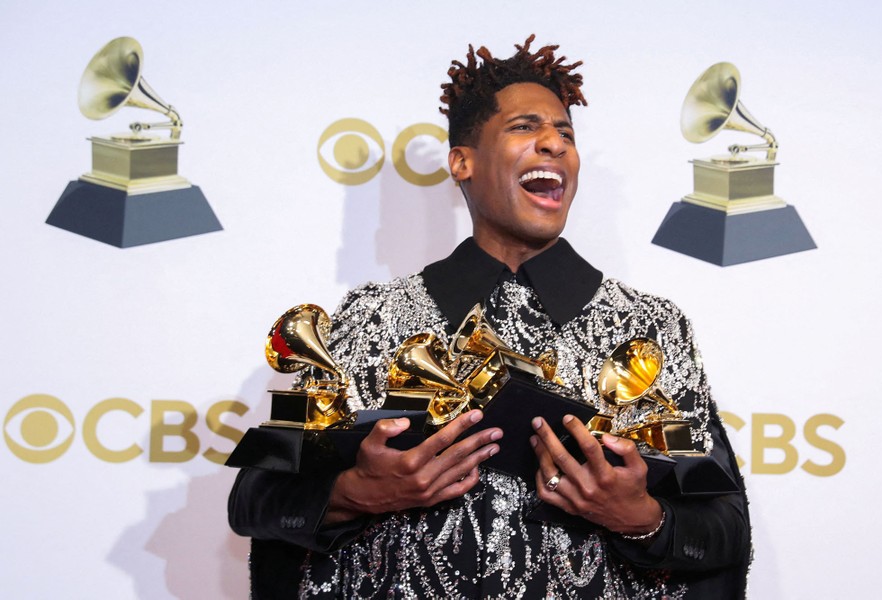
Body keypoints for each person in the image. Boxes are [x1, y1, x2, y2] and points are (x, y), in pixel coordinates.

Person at [229, 35, 751, 599]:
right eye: (525, 127)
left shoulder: (647, 329)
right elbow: (254, 502)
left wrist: (640, 516)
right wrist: (356, 492)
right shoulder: (369, 318)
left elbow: (725, 530)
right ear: (463, 162)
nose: (553, 143)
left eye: (566, 134)